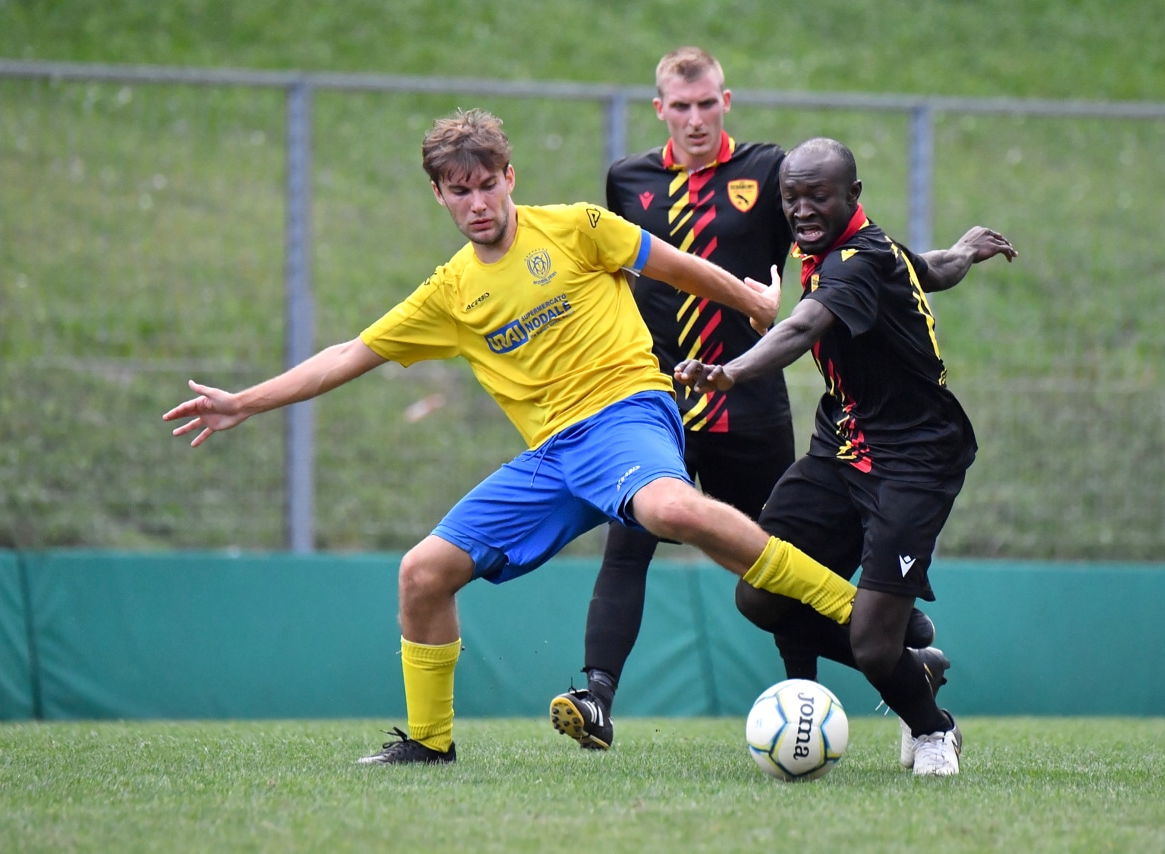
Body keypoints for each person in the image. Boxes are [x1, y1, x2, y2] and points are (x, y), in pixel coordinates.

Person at [163, 109, 868, 766]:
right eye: (459, 191)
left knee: (670, 508)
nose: (477, 203)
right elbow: (350, 353)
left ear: (509, 178)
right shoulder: (450, 292)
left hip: (626, 412)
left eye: (486, 185)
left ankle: (855, 610)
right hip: (554, 457)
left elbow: (674, 265)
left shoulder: (577, 227)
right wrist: (243, 403)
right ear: (439, 196)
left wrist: (752, 302)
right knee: (422, 573)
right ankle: (429, 743)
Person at [550, 46, 934, 752]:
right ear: (660, 109)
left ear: (725, 102)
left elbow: (852, 243)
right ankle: (596, 696)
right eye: (681, 106)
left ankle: (808, 704)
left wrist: (932, 266)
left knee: (779, 565)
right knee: (626, 548)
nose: (695, 119)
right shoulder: (627, 180)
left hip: (747, 403)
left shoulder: (771, 172)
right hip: (657, 404)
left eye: (707, 104)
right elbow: (617, 274)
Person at [678, 137, 1017, 776]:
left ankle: (932, 729)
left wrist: (731, 373)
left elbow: (801, 327)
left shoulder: (855, 262)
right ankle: (902, 658)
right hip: (843, 446)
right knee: (763, 592)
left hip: (915, 459)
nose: (802, 209)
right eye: (791, 197)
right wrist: (964, 252)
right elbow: (928, 270)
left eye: (818, 196)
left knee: (871, 643)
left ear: (852, 196)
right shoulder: (859, 247)